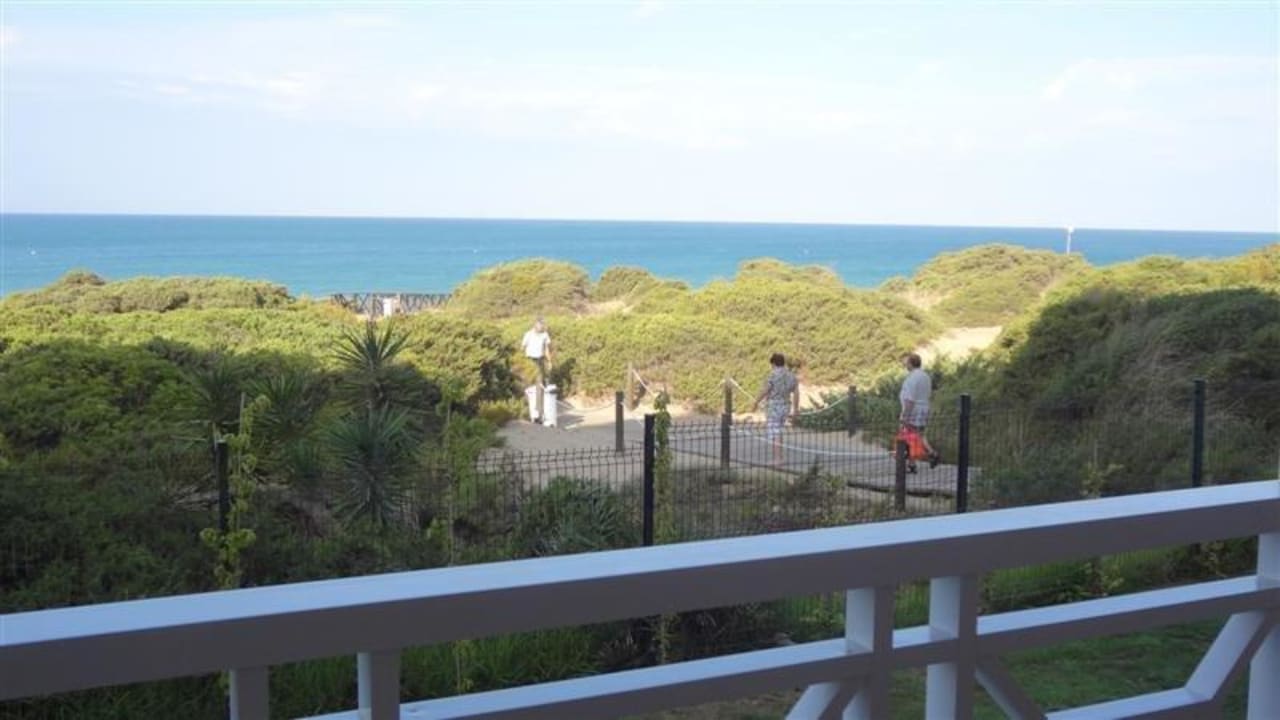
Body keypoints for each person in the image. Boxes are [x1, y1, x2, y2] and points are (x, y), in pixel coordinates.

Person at [752, 353, 799, 467]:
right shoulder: (791, 376)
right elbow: (796, 393)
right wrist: (796, 409)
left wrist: (756, 402)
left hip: (774, 407)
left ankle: (778, 459)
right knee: (779, 431)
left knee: (775, 432)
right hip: (786, 406)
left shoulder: (772, 375)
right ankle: (779, 457)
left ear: (773, 363)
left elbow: (765, 390)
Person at [899, 352, 940, 471]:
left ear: (911, 364)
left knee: (911, 435)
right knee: (918, 434)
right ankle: (912, 463)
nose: (905, 365)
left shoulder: (912, 378)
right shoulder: (925, 376)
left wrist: (905, 416)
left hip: (914, 410)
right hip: (924, 408)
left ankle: (932, 453)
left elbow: (910, 399)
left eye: (907, 363)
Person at [521, 318, 552, 423]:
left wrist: (549, 361)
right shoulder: (528, 334)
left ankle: (539, 413)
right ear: (535, 325)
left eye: (542, 326)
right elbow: (522, 348)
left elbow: (546, 348)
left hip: (539, 360)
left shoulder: (545, 335)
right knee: (527, 386)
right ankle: (526, 412)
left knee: (540, 385)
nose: (541, 328)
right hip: (529, 360)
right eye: (539, 326)